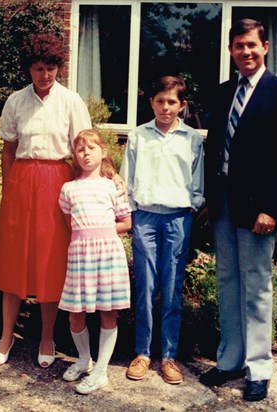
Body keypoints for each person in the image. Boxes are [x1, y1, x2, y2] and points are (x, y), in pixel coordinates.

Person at [199, 19, 277, 402]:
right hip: (224, 204)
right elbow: (215, 148)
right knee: (227, 281)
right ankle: (230, 360)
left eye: (252, 45)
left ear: (265, 47)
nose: (246, 52)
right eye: (239, 46)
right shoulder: (224, 92)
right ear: (231, 51)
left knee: (257, 287)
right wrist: (210, 200)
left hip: (259, 209)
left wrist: (272, 209)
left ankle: (258, 368)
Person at [0, 33, 93, 368]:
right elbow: (7, 149)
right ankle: (6, 336)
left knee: (50, 262)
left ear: (58, 68)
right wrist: (8, 191)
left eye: (50, 68)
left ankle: (46, 336)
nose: (44, 74)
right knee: (13, 260)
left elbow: (82, 148)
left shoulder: (70, 101)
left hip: (56, 183)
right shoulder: (16, 101)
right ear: (28, 69)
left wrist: (86, 192)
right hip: (21, 183)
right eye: (38, 68)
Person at [120, 76, 205, 385]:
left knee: (171, 289)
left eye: (172, 102)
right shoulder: (139, 136)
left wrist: (192, 205)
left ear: (182, 105)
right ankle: (142, 353)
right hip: (145, 218)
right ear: (151, 102)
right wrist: (130, 211)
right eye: (160, 101)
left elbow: (198, 182)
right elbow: (126, 179)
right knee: (144, 288)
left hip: (177, 219)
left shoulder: (192, 139)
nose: (165, 107)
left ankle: (169, 356)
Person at [58, 130, 132, 394]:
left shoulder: (113, 186)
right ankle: (83, 359)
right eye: (80, 149)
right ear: (74, 156)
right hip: (80, 256)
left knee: (107, 312)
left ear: (103, 152)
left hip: (107, 254)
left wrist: (102, 231)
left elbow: (126, 222)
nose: (86, 153)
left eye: (92, 147)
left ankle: (101, 371)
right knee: (75, 315)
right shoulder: (68, 189)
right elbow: (71, 225)